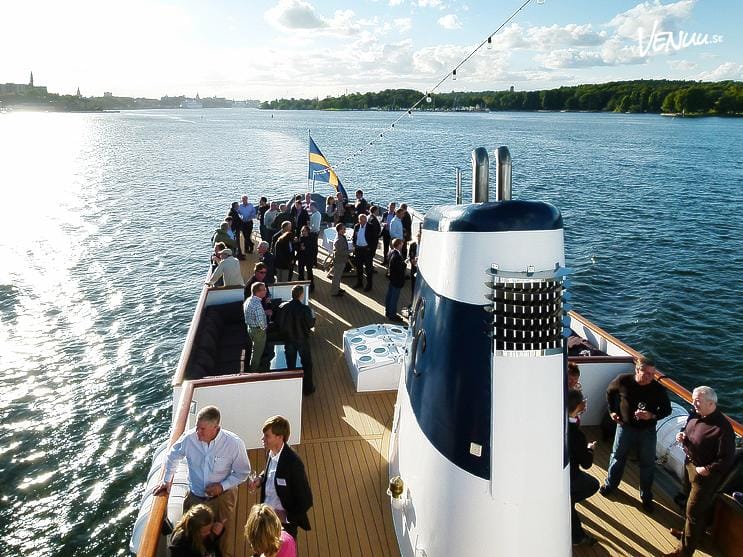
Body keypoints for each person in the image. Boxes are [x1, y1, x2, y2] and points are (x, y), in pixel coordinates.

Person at [155, 406, 251, 557]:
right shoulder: (189, 438)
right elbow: (172, 456)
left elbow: (243, 472)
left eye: (202, 429)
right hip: (195, 498)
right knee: (190, 537)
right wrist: (167, 480)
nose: (197, 432)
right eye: (197, 427)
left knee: (220, 538)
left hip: (222, 499)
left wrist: (222, 486)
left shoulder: (233, 444)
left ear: (216, 428)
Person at [663, 386, 735, 557]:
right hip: (690, 465)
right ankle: (692, 535)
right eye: (693, 399)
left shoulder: (723, 428)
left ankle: (685, 551)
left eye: (698, 401)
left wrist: (707, 469)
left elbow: (726, 459)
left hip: (705, 475)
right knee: (688, 501)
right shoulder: (695, 414)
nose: (693, 403)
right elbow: (689, 430)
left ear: (711, 404)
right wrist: (682, 435)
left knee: (693, 512)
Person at [600, 356, 672, 512]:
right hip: (625, 428)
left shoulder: (658, 389)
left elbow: (667, 410)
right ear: (636, 370)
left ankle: (646, 496)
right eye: (646, 373)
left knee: (647, 464)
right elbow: (610, 392)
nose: (649, 377)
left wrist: (652, 415)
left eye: (652, 374)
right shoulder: (623, 381)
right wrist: (612, 412)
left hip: (647, 432)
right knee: (617, 457)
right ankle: (610, 484)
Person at [249, 416, 313, 540]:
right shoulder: (271, 452)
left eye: (267, 436)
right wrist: (260, 479)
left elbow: (306, 500)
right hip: (265, 519)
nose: (263, 439)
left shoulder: (293, 463)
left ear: (280, 437)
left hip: (282, 526)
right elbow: (272, 472)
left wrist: (287, 518)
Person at [567, 389, 600, 547]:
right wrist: (590, 449)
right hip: (568, 477)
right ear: (578, 406)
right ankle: (577, 537)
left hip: (552, 475)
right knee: (593, 485)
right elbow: (586, 464)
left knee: (568, 502)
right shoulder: (576, 435)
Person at [278, 285, 316, 395]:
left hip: (289, 339)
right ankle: (308, 388)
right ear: (301, 295)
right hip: (302, 340)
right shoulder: (305, 309)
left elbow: (279, 323)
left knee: (290, 364)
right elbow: (310, 324)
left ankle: (292, 388)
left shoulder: (283, 307)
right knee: (307, 364)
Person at [244, 282, 269, 372]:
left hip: (250, 328)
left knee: (255, 349)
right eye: (264, 289)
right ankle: (253, 371)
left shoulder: (248, 300)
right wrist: (265, 328)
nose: (266, 291)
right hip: (258, 332)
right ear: (258, 292)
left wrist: (264, 313)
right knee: (257, 353)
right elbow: (261, 323)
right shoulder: (258, 305)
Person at [352, 213, 377, 292]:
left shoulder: (371, 227)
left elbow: (375, 240)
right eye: (361, 220)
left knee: (368, 268)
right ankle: (359, 283)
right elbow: (354, 236)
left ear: (366, 220)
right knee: (359, 267)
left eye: (364, 220)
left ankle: (369, 285)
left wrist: (371, 250)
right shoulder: (356, 226)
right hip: (358, 250)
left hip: (367, 250)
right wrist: (354, 243)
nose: (362, 222)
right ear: (359, 220)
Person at [385, 239, 405, 321]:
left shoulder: (391, 252)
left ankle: (388, 311)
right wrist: (404, 264)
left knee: (389, 295)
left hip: (392, 278)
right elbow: (399, 268)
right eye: (401, 244)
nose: (402, 245)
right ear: (399, 245)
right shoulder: (397, 256)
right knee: (394, 298)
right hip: (397, 279)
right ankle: (392, 315)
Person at [330, 223, 349, 297]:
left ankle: (337, 288)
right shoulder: (339, 239)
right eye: (343, 228)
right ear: (339, 230)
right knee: (336, 277)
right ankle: (334, 292)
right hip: (339, 260)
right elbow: (340, 252)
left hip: (340, 260)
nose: (345, 230)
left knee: (338, 276)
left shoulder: (341, 237)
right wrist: (350, 251)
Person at [295, 226, 314, 291]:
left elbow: (314, 248)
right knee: (300, 272)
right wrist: (299, 246)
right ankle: (301, 286)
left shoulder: (312, 238)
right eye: (302, 231)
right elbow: (297, 248)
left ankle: (311, 287)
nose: (303, 232)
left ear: (308, 231)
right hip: (301, 257)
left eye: (304, 231)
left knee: (309, 272)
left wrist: (306, 248)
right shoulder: (300, 238)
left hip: (309, 257)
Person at [308, 202, 321, 267]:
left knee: (313, 248)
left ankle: (314, 262)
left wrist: (309, 231)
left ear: (313, 206)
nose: (309, 208)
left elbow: (314, 226)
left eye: (310, 206)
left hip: (314, 233)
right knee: (314, 247)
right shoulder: (315, 214)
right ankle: (314, 262)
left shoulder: (316, 215)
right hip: (315, 232)